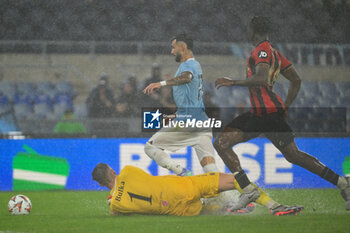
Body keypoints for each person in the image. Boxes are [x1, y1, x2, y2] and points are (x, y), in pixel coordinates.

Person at [142, 34, 301, 215]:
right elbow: (192, 97)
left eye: (173, 47)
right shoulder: (193, 65)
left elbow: (186, 77)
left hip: (190, 122)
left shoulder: (188, 65)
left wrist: (160, 83)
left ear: (183, 48)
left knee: (150, 147)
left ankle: (182, 173)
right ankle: (257, 203)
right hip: (200, 121)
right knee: (211, 170)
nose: (171, 51)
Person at [214, 16, 350, 211]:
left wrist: (232, 82)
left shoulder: (261, 50)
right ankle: (343, 184)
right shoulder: (276, 54)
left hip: (266, 114)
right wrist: (285, 105)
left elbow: (261, 78)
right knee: (291, 155)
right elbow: (296, 80)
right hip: (263, 114)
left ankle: (247, 189)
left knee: (224, 144)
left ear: (253, 31)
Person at [92, 163, 303, 216]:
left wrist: (111, 198)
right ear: (112, 169)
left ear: (102, 184)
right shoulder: (128, 171)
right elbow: (124, 181)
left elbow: (115, 209)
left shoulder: (117, 204)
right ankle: (274, 206)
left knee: (202, 209)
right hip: (183, 186)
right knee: (237, 179)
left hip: (177, 211)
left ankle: (230, 209)